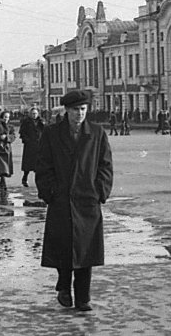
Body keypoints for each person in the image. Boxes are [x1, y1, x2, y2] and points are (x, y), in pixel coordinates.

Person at [35, 90, 113, 313]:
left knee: (85, 250)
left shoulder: (97, 134)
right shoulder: (52, 134)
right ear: (66, 111)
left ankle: (83, 298)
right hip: (61, 199)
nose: (79, 114)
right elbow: (43, 166)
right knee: (63, 247)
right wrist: (49, 192)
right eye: (75, 110)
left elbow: (105, 166)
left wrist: (100, 191)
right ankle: (63, 287)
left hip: (87, 200)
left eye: (83, 109)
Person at [19, 106, 44, 187]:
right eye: (33, 114)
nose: (34, 115)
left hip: (39, 145)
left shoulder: (41, 121)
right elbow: (22, 133)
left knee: (38, 165)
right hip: (29, 146)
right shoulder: (26, 122)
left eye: (36, 113)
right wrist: (27, 140)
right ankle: (24, 178)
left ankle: (38, 181)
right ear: (30, 114)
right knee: (28, 165)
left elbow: (46, 131)